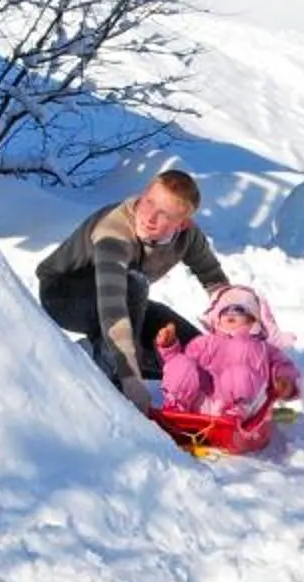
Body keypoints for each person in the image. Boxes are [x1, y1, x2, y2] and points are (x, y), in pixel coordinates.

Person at [36, 167, 230, 406]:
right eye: (148, 202)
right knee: (134, 287)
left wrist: (238, 327)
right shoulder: (114, 232)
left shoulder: (188, 237)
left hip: (125, 294)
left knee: (193, 349)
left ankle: (99, 353)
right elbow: (113, 308)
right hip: (63, 294)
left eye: (164, 214)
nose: (150, 217)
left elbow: (213, 277)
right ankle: (103, 368)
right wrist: (130, 378)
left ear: (182, 224)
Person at [156, 284, 301, 420]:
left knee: (239, 373)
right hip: (204, 402)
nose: (230, 313)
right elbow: (184, 369)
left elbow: (284, 366)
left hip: (246, 406)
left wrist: (286, 382)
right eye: (224, 310)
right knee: (183, 363)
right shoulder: (203, 343)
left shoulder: (264, 348)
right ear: (216, 319)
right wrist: (170, 347)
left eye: (238, 310)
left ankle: (235, 413)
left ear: (253, 319)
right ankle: (176, 406)